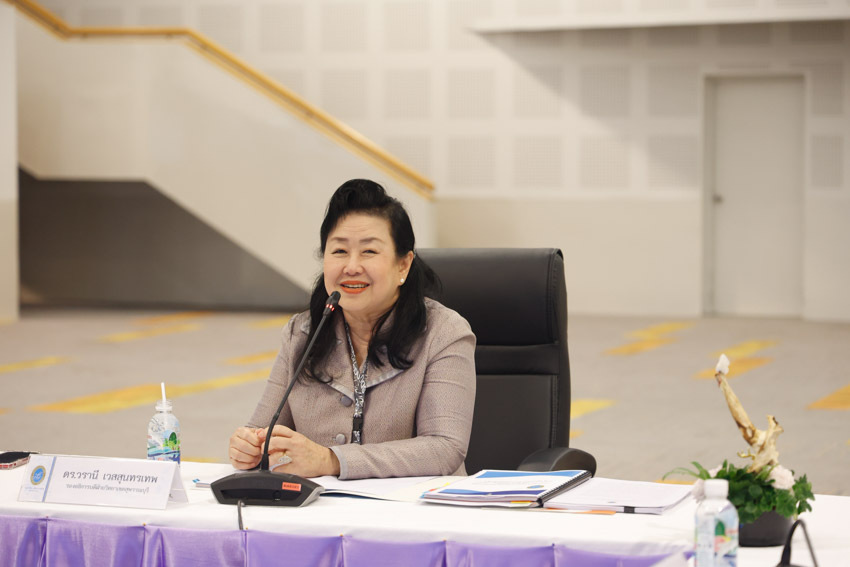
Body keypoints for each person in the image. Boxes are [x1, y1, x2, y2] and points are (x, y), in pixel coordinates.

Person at [227, 179, 476, 479]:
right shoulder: (302, 332)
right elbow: (262, 431)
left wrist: (332, 460)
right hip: (323, 506)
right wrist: (249, 446)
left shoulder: (444, 332)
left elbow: (444, 447)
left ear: (403, 265)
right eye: (339, 251)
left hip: (417, 505)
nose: (352, 266)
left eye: (369, 251)